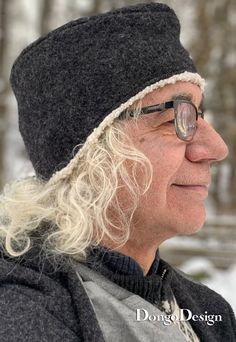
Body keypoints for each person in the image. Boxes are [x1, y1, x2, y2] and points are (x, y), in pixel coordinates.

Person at [0, 2, 235, 342]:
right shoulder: (22, 313)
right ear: (90, 155)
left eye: (200, 115)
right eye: (178, 119)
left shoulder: (208, 313)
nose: (216, 148)